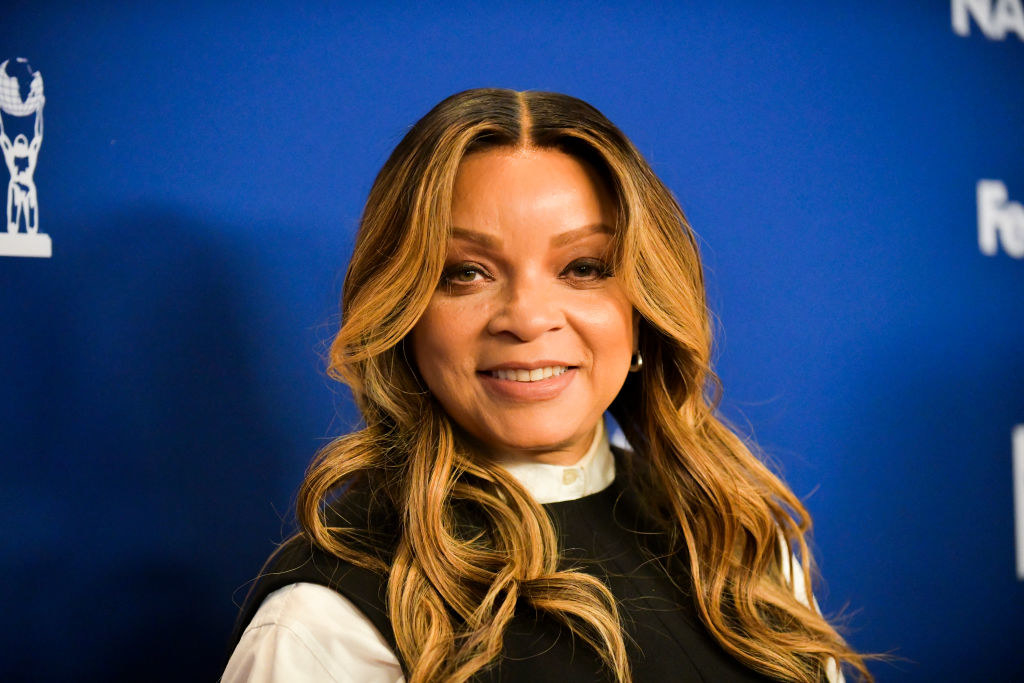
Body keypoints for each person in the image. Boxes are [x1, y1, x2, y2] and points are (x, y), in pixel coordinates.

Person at [224, 88, 871, 682]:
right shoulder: (325, 623)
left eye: (583, 267)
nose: (528, 318)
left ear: (645, 305)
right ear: (403, 314)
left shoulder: (733, 540)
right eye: (467, 272)